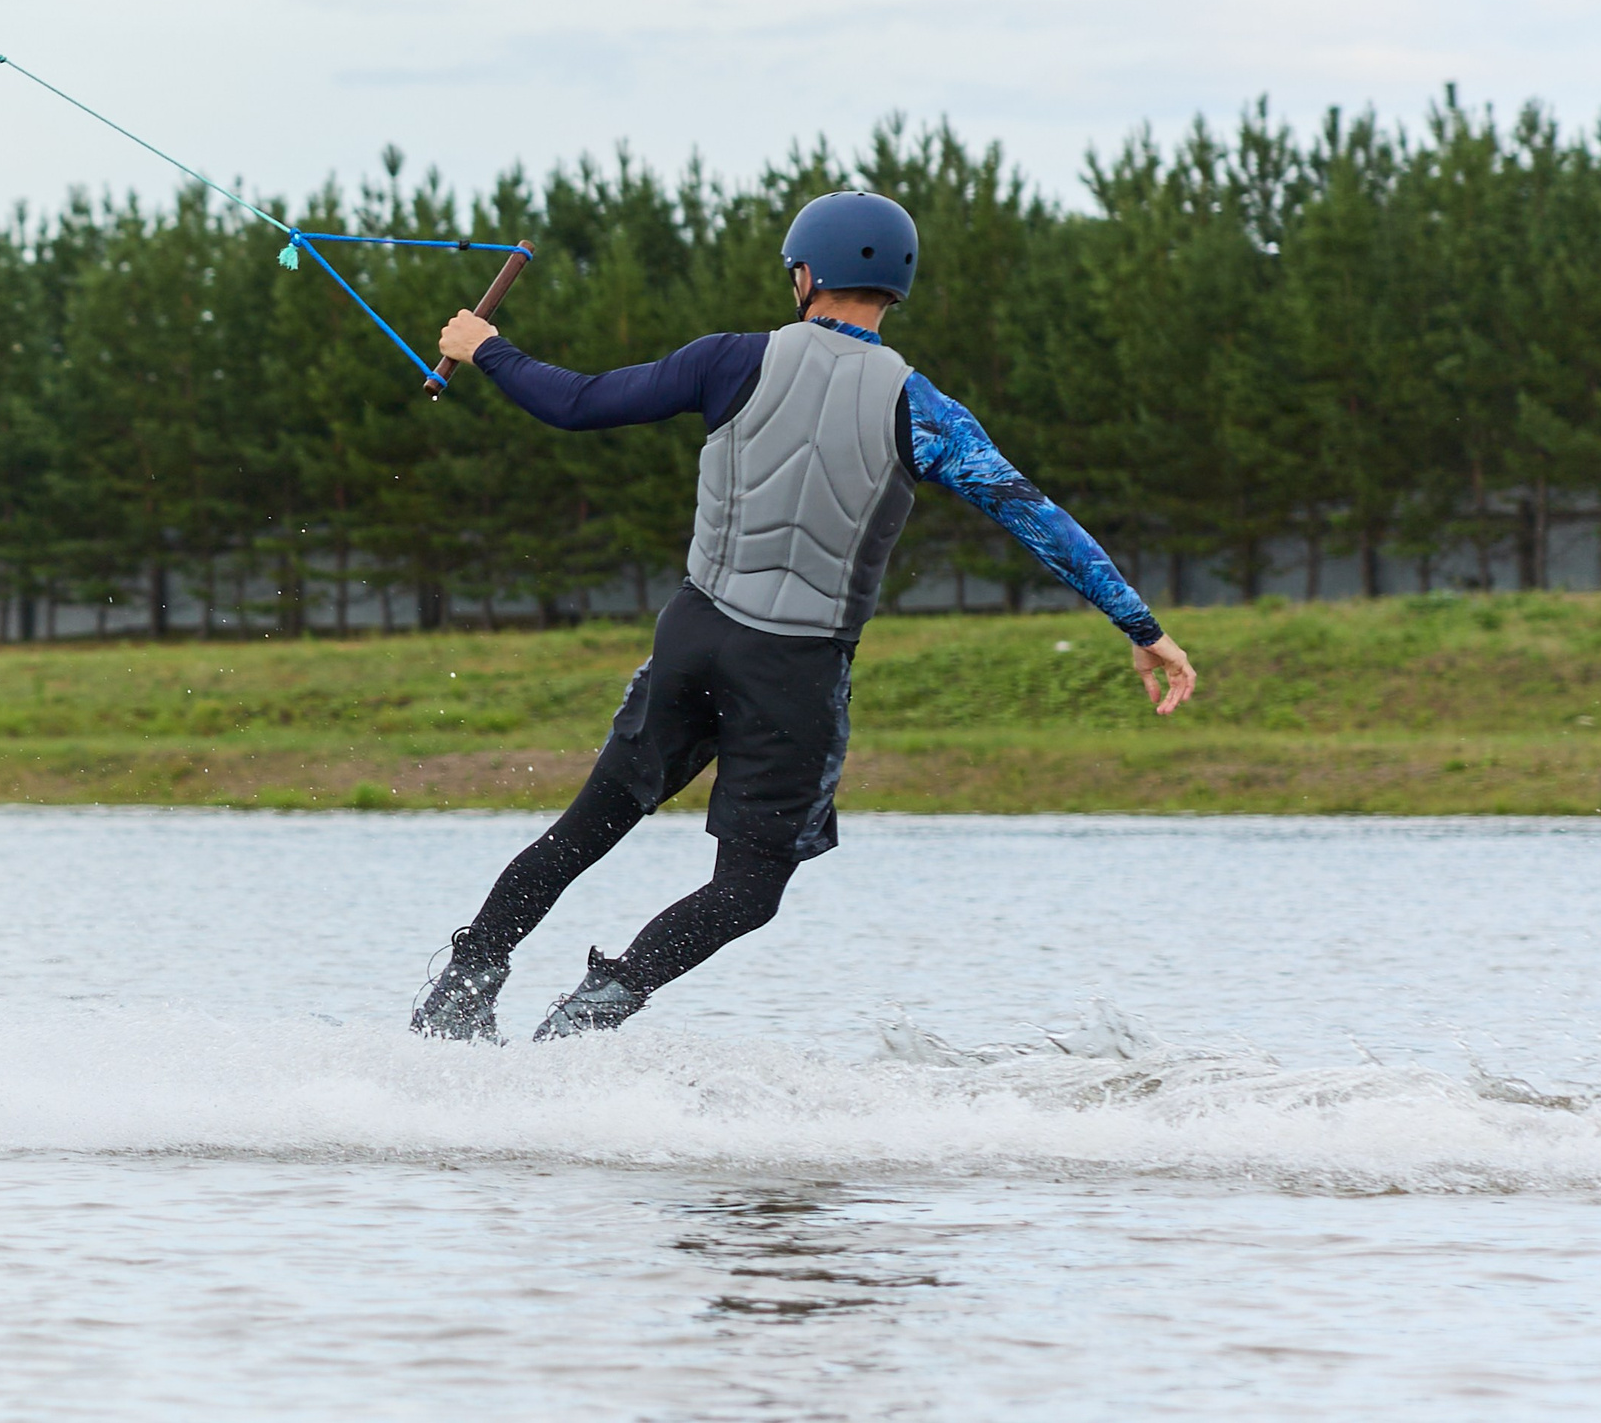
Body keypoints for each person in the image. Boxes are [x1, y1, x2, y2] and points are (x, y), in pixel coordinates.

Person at [410, 189, 1198, 1043]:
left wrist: (486, 347)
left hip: (695, 635)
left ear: (806, 275)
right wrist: (1142, 629)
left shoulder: (729, 360)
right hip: (795, 670)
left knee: (587, 829)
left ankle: (462, 987)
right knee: (747, 889)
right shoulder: (924, 411)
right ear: (895, 287)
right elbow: (1038, 520)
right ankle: (585, 1022)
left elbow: (577, 402)